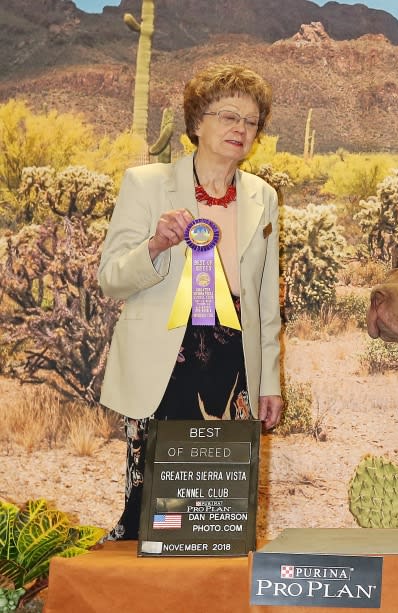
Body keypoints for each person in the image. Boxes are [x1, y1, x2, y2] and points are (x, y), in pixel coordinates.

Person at [98, 64, 284, 540]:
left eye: (251, 120)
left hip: (234, 359)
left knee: (220, 510)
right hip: (167, 355)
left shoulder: (264, 197)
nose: (240, 129)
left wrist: (270, 382)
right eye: (228, 116)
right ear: (197, 122)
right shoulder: (145, 184)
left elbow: (265, 303)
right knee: (156, 507)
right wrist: (155, 246)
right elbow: (112, 279)